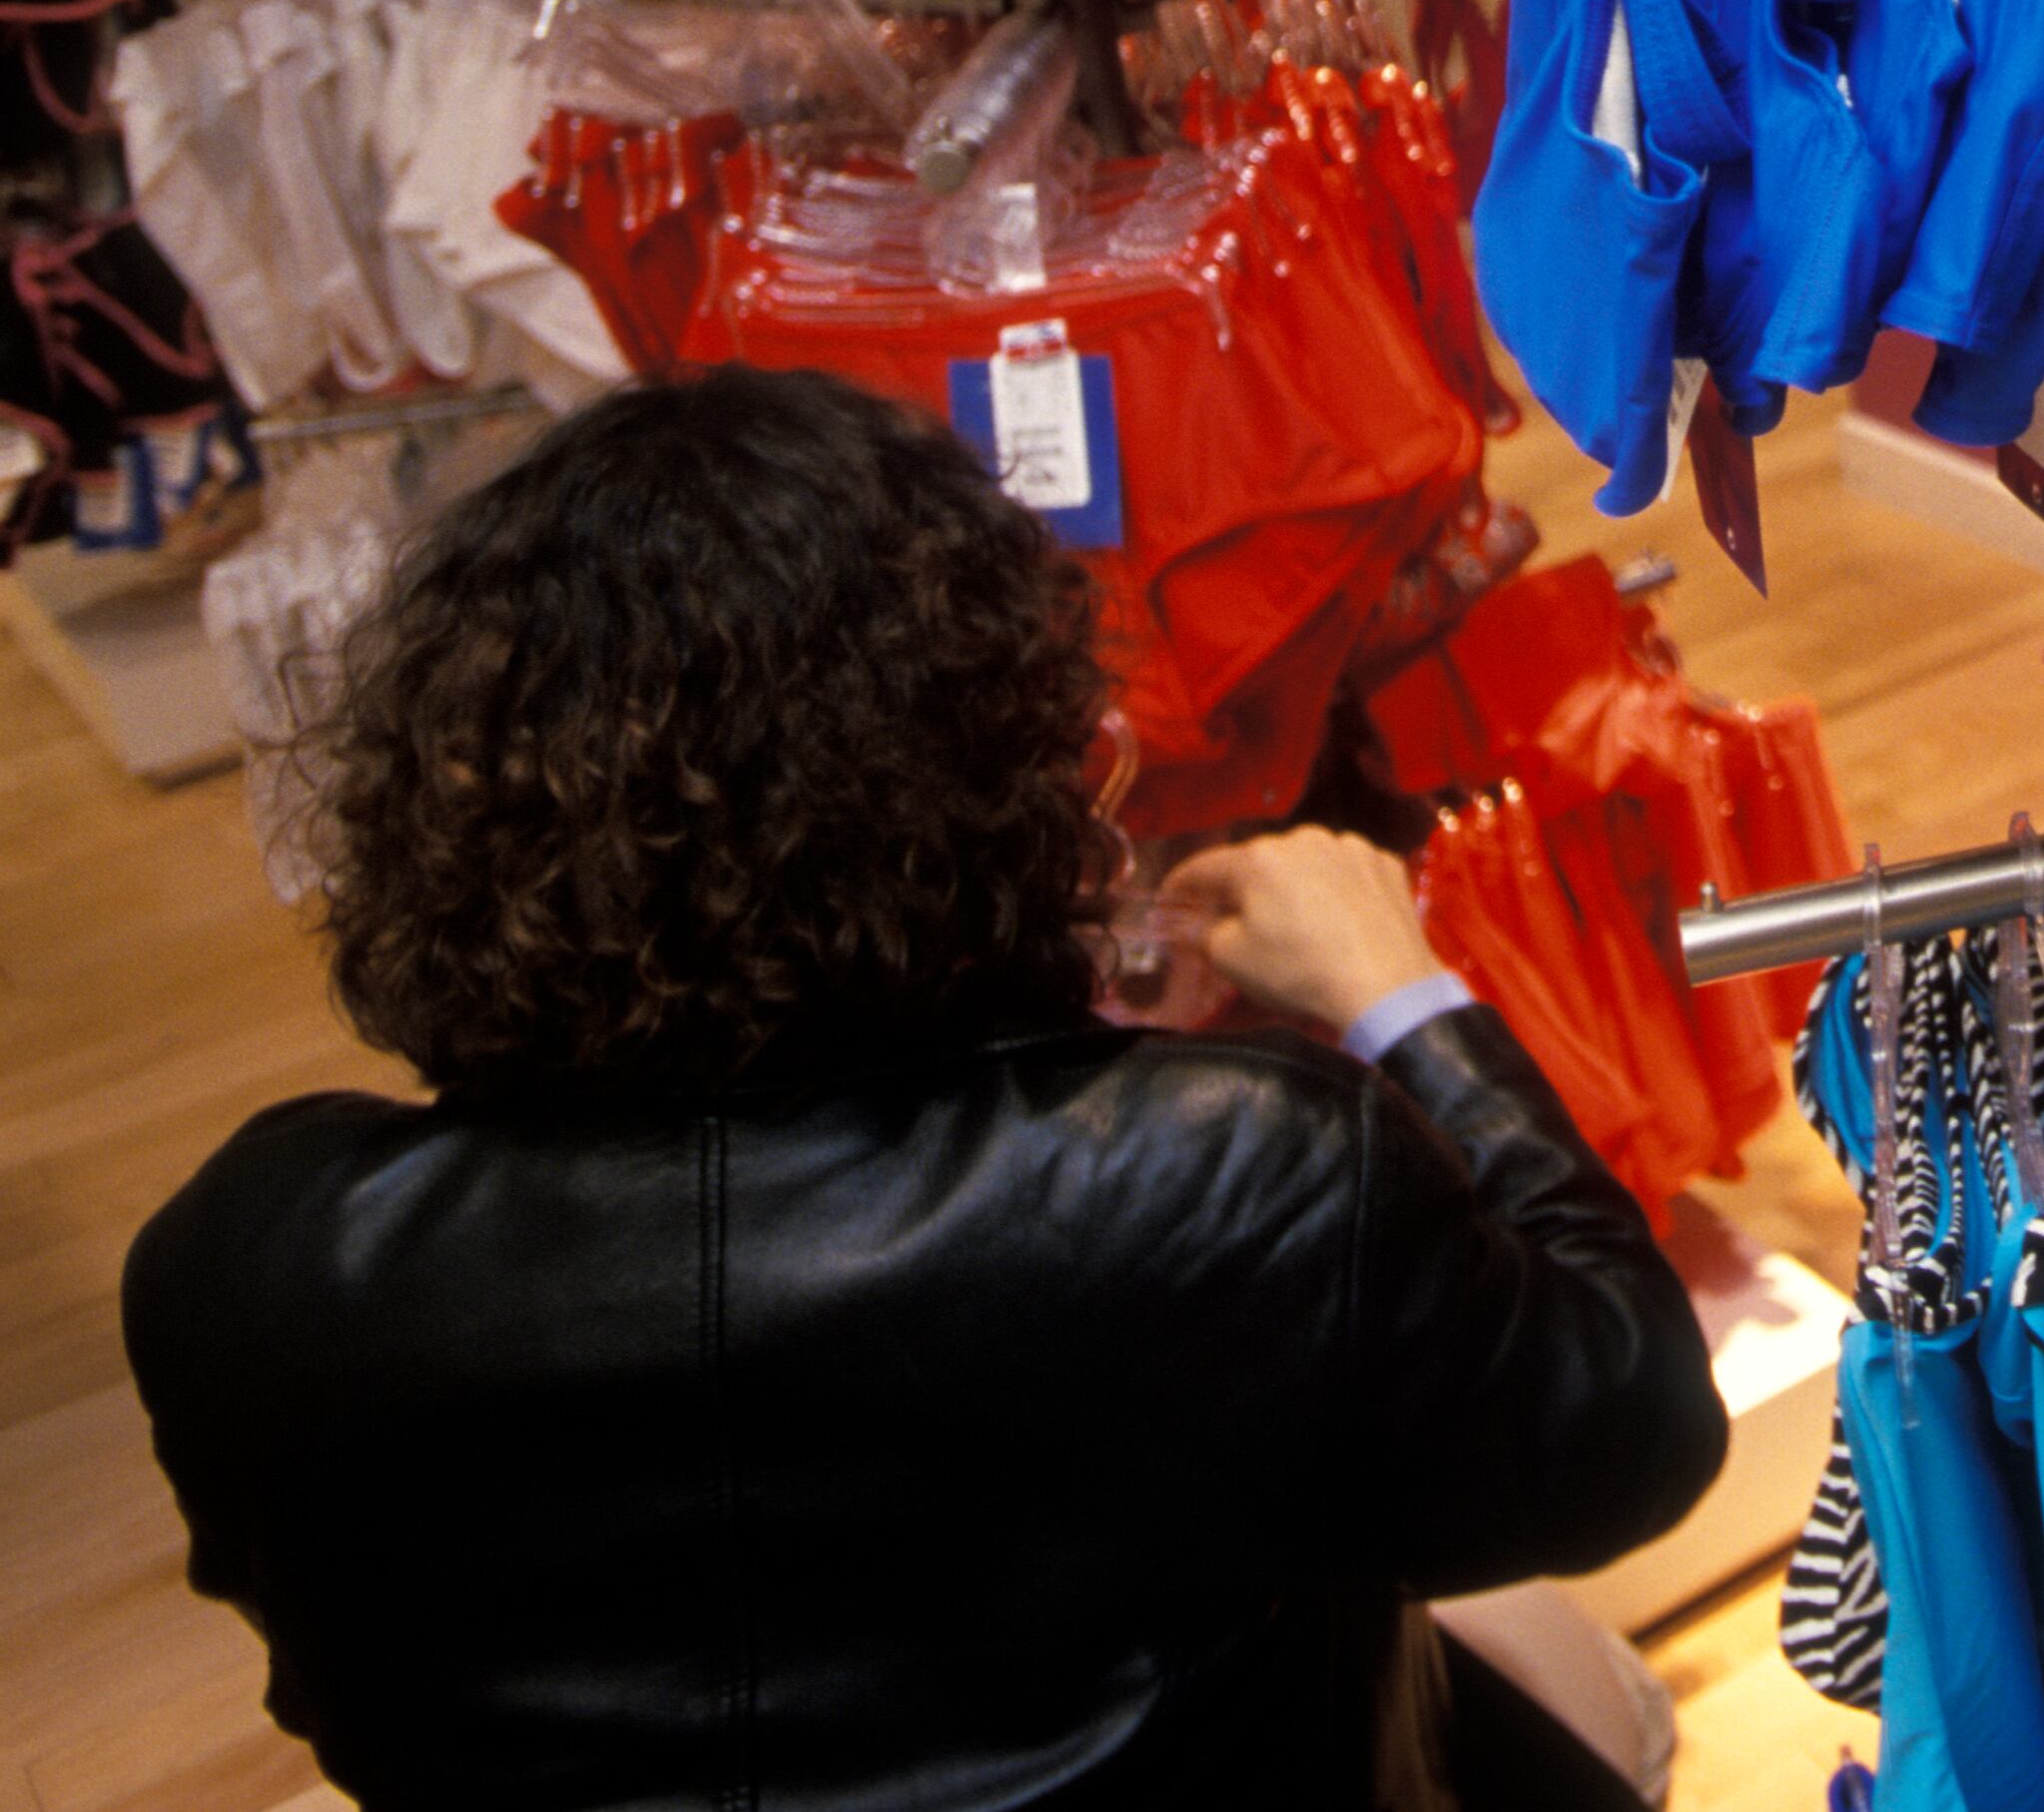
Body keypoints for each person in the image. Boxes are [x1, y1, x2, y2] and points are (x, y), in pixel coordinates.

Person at [119, 367, 1725, 1809]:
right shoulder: (1235, 1169)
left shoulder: (254, 1266)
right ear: (1001, 772)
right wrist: (1410, 1000)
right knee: (1584, 1682)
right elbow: (1634, 1431)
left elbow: (341, 1689)